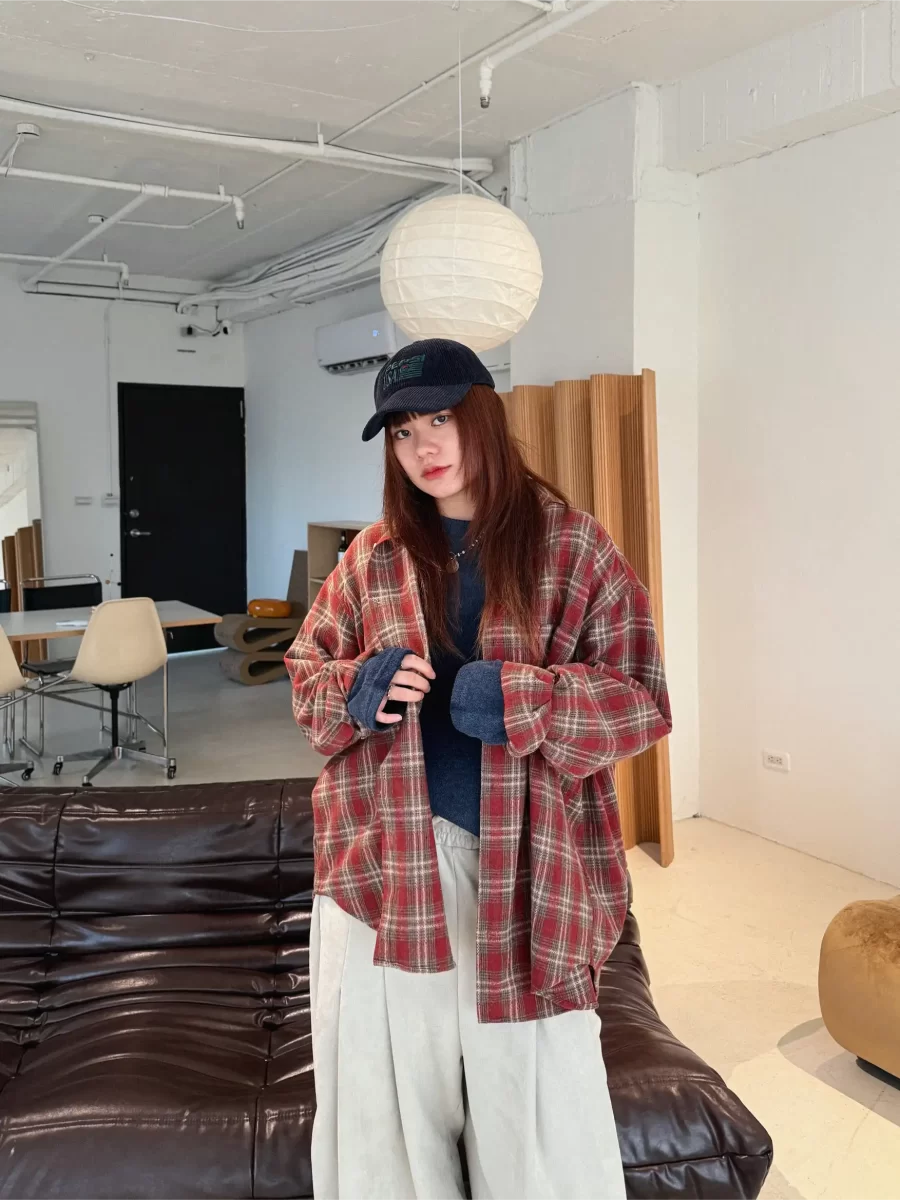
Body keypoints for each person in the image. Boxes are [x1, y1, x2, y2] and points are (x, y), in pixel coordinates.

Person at [285, 337, 672, 1200]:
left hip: (525, 870)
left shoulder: (573, 547)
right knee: (386, 1125)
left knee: (538, 1124)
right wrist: (357, 689)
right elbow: (307, 679)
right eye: (400, 432)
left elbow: (642, 698)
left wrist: (523, 699)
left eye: (439, 418)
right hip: (381, 870)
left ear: (484, 416)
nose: (422, 447)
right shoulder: (372, 555)